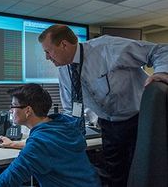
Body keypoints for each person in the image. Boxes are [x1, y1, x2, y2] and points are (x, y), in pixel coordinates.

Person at [38, 24, 168, 187]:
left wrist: (161, 72)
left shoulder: (107, 48)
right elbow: (71, 109)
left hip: (138, 121)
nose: (47, 57)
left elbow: (159, 50)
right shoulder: (65, 71)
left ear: (64, 44)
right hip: (108, 126)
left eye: (48, 51)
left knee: (142, 173)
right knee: (115, 175)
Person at [0, 83, 101, 187]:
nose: (11, 110)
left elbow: (1, 184)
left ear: (28, 111)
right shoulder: (62, 124)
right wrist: (13, 144)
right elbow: (51, 146)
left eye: (13, 106)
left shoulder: (38, 144)